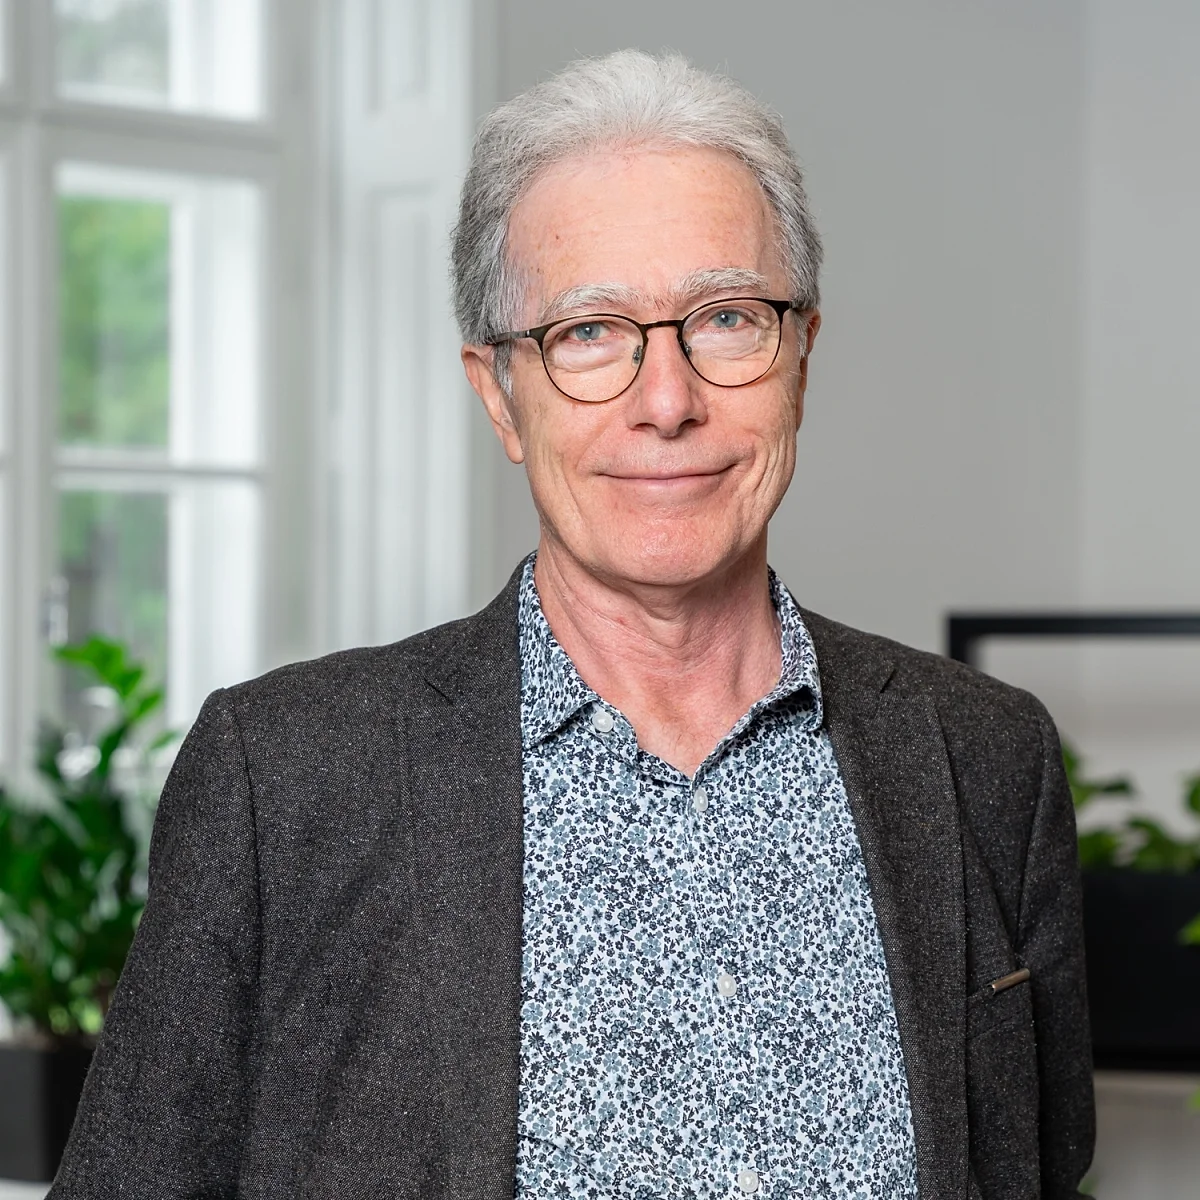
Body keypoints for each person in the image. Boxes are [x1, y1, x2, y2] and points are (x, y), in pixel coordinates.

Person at [52, 50, 1094, 1199]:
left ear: (800, 356)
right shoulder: (286, 780)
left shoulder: (986, 759)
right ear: (499, 394)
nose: (668, 401)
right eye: (588, 332)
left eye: (727, 318)